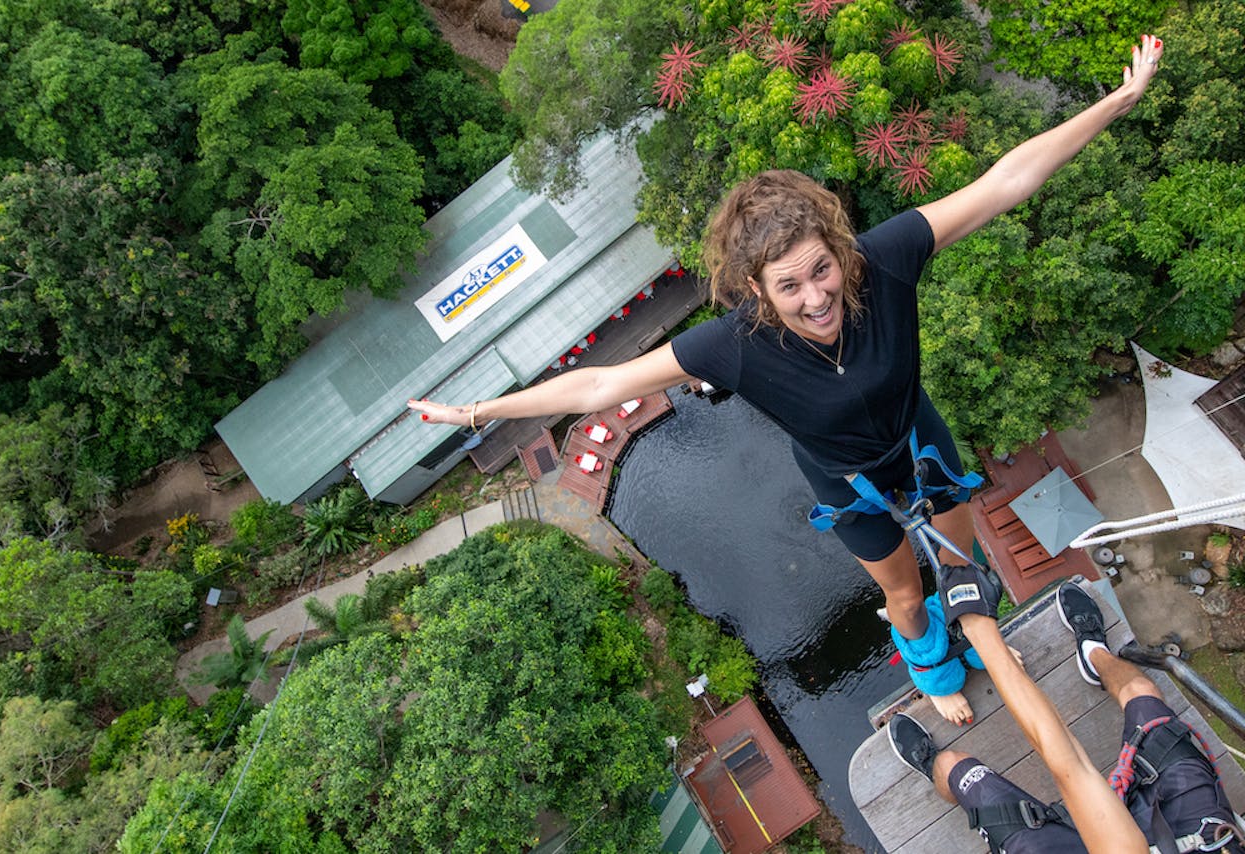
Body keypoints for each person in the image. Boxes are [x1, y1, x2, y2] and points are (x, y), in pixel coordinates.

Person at [408, 35, 1164, 725]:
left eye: (822, 270)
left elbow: (1006, 183)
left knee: (962, 560)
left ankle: (974, 634)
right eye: (789, 286)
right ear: (755, 291)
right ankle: (933, 668)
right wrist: (479, 411)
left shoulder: (885, 258)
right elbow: (594, 388)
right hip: (846, 479)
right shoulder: (735, 346)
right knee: (902, 591)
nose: (817, 298)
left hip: (916, 438)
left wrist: (1118, 100)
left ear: (840, 250)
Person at [888, 575, 1244, 853]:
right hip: (1202, 835)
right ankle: (1094, 655)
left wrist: (980, 630)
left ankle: (934, 766)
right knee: (1142, 693)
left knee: (955, 766)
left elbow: (1069, 764)